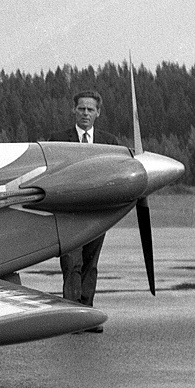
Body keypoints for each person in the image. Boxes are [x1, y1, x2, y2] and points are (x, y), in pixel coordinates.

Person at [45, 90, 121, 333]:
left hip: (97, 216)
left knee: (91, 263)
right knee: (71, 263)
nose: (85, 113)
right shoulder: (57, 140)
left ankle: (87, 315)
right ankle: (72, 316)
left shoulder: (110, 143)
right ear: (73, 110)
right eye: (81, 109)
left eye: (90, 109)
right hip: (68, 216)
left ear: (98, 112)